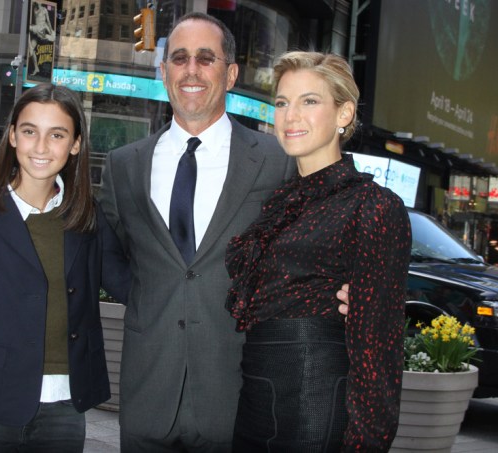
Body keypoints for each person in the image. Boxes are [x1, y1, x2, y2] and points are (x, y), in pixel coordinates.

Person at [99, 13, 349, 451]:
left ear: (230, 73)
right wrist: (149, 296)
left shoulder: (278, 161)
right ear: (163, 72)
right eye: (179, 58)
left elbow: (321, 238)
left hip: (238, 395)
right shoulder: (124, 165)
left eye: (205, 58)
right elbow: (111, 255)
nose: (191, 69)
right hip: (146, 393)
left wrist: (349, 286)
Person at [225, 51, 412, 451]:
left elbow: (378, 345)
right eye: (281, 102)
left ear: (344, 114)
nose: (290, 116)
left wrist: (365, 443)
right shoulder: (280, 203)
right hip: (257, 397)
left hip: (315, 401)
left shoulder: (374, 206)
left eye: (309, 101)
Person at [0, 83, 130, 452]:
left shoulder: (87, 217)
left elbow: (131, 287)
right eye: (29, 132)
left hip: (66, 410)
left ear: (74, 144)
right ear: (11, 136)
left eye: (56, 134)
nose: (41, 147)